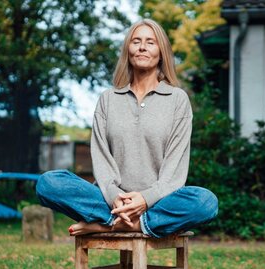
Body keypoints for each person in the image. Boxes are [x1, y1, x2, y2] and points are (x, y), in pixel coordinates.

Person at [36, 19, 218, 238]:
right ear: (128, 50)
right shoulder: (108, 99)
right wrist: (114, 196)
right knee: (48, 183)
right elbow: (101, 159)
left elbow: (174, 169)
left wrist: (145, 199)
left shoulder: (177, 100)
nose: (142, 47)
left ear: (161, 52)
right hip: (111, 201)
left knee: (206, 202)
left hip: (159, 201)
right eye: (136, 41)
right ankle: (128, 221)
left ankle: (116, 224)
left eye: (150, 42)